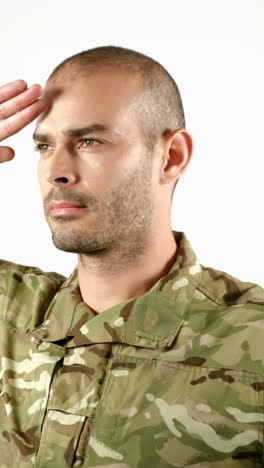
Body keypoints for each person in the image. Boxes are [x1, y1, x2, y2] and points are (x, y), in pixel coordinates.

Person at [0, 46, 263, 468]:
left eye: (89, 141)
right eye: (44, 147)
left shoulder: (253, 342)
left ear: (172, 157)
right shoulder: (10, 313)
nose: (56, 172)